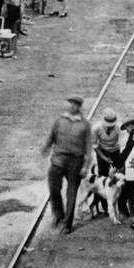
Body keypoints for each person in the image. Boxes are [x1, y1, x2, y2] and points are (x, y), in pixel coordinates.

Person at [42, 97, 92, 233]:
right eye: (71, 104)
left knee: (72, 193)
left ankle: (67, 224)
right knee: (53, 189)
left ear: (79, 107)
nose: (73, 107)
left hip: (76, 162)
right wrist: (45, 147)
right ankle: (58, 215)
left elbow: (88, 147)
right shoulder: (59, 120)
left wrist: (86, 166)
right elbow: (51, 136)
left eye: (76, 105)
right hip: (58, 159)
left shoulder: (85, 125)